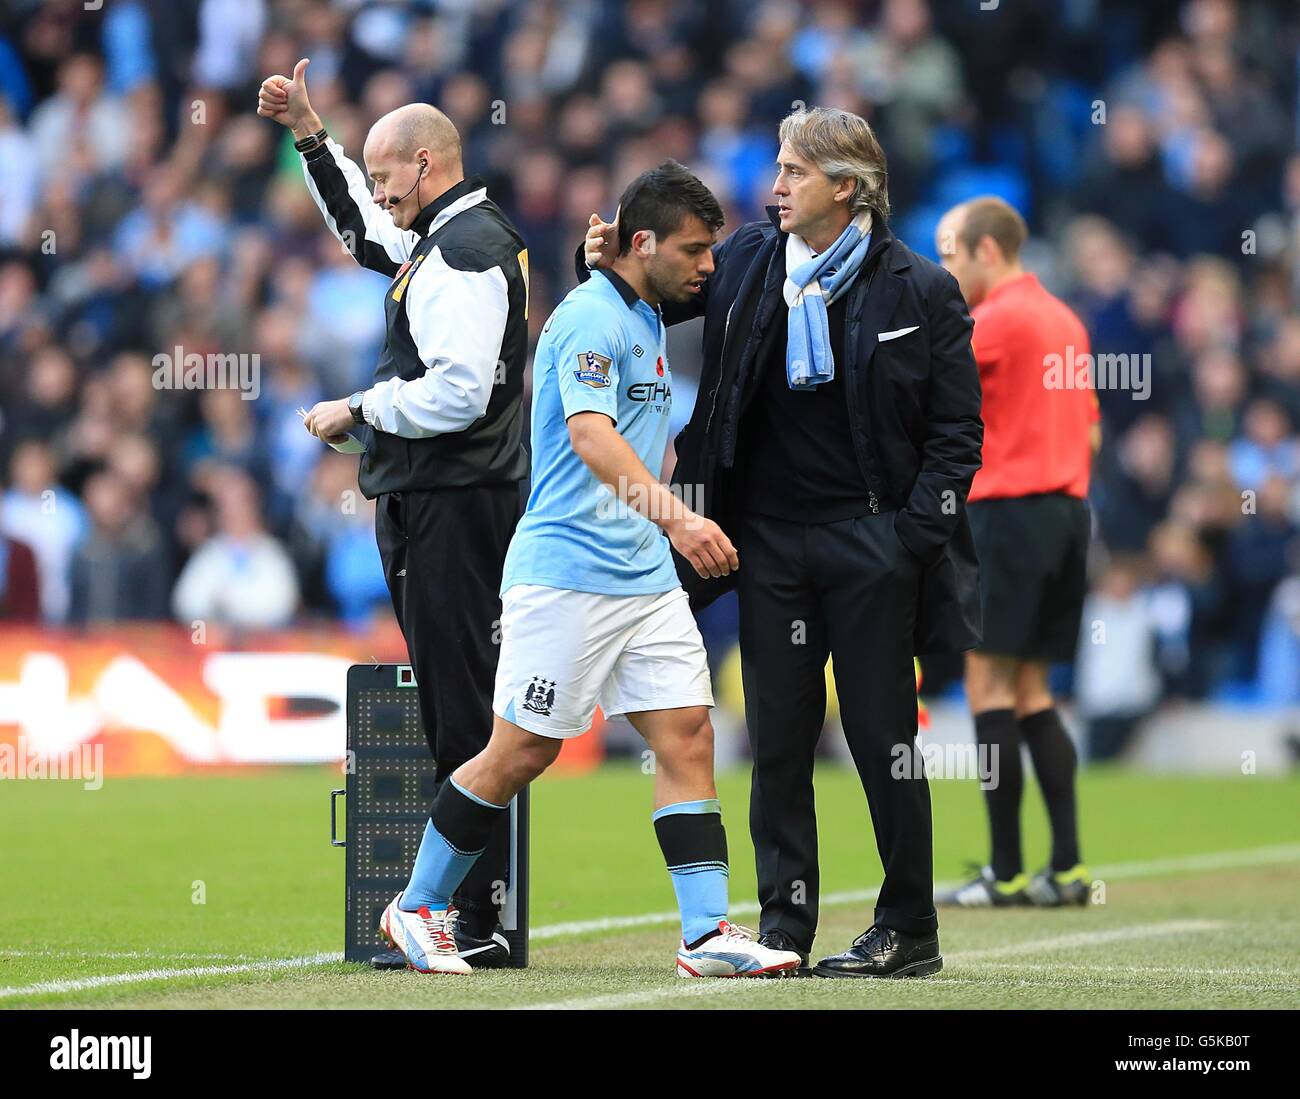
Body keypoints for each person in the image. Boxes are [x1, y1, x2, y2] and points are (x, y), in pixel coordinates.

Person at [583, 107, 983, 977]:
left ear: (847, 187)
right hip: (768, 543)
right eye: (777, 167)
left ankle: (908, 927)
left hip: (871, 542)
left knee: (884, 741)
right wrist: (614, 265)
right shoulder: (752, 262)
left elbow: (958, 434)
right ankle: (784, 925)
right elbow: (661, 296)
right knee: (779, 742)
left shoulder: (919, 287)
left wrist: (911, 537)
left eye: (794, 171)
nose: (775, 186)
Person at [377, 161, 802, 978]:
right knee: (520, 752)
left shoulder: (639, 309)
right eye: (694, 250)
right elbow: (590, 436)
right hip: (567, 573)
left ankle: (707, 934)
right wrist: (681, 519)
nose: (707, 267)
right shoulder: (588, 320)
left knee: (686, 732)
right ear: (644, 244)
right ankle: (418, 906)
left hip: (640, 578)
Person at [258, 60, 530, 964]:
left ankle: (470, 919)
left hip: (455, 502)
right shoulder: (453, 237)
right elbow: (361, 230)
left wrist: (360, 407)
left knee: (462, 710)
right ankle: (473, 910)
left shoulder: (461, 251)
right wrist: (309, 133)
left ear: (425, 163)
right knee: (462, 705)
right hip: (448, 498)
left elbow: (455, 394)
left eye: (386, 175)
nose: (379, 194)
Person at [933, 196, 1096, 908]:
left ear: (987, 251)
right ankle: (1063, 870)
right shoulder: (1066, 320)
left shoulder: (995, 320)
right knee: (1034, 692)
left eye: (949, 255)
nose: (944, 271)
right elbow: (1090, 431)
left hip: (1007, 514)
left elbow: (925, 386)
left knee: (988, 688)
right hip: (1067, 512)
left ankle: (1003, 873)